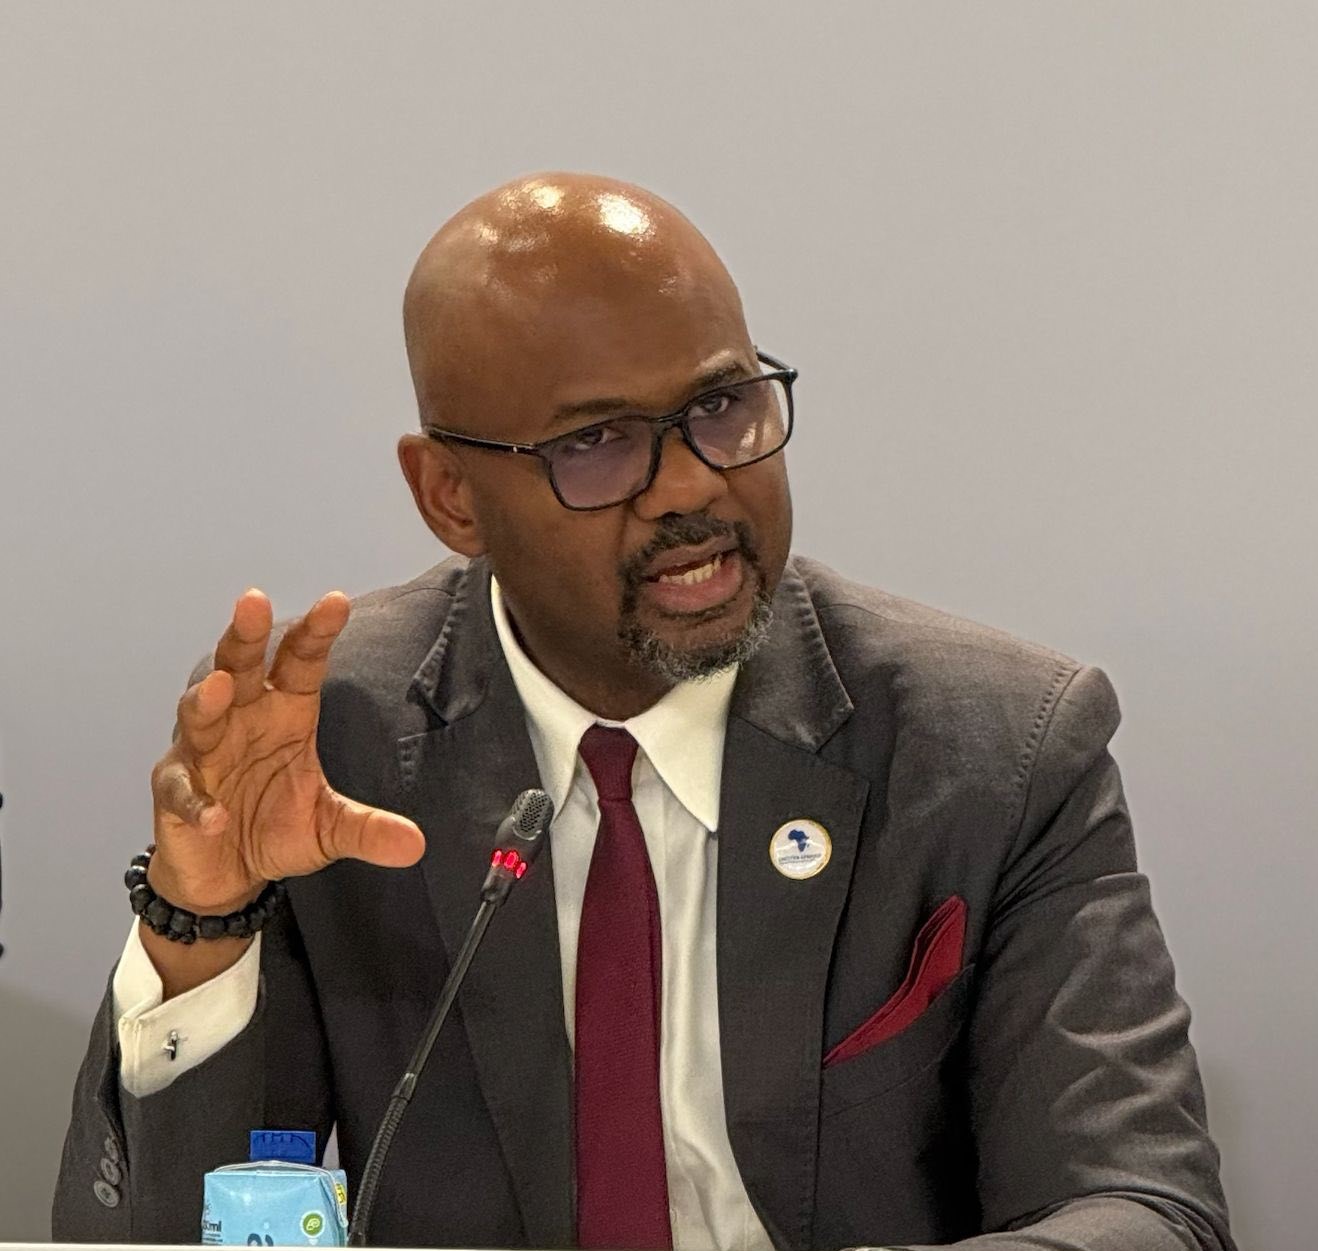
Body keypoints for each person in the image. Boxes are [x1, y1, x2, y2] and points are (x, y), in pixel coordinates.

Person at [54, 173, 1234, 1251]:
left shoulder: (994, 750)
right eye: (598, 443)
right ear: (451, 496)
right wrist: (201, 924)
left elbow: (1143, 1211)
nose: (692, 483)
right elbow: (158, 1240)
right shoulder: (337, 742)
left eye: (723, 405)